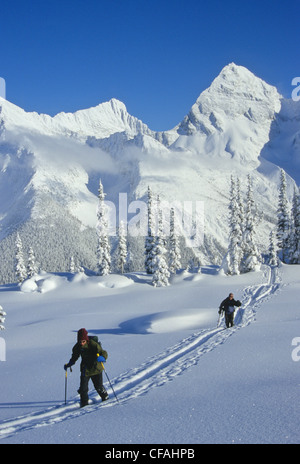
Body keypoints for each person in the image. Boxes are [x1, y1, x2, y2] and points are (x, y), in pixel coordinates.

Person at [64, 328, 109, 407]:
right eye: (80, 341)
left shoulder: (93, 344)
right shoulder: (77, 347)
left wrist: (103, 357)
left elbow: (103, 352)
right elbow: (75, 356)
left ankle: (105, 397)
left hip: (96, 368)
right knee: (83, 389)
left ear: (86, 340)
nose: (81, 343)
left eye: (83, 341)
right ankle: (84, 404)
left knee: (98, 387)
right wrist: (70, 363)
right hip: (85, 369)